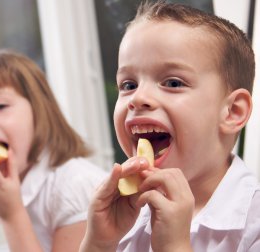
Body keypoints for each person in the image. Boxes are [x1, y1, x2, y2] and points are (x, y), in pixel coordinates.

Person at [80, 1, 260, 252]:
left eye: (173, 83)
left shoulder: (253, 224)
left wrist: (174, 246)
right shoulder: (126, 214)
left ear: (232, 112)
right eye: (129, 85)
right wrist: (99, 243)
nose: (138, 98)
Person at [0, 49, 107, 252]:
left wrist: (11, 214)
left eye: (0, 106)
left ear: (39, 114)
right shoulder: (15, 187)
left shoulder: (75, 188)